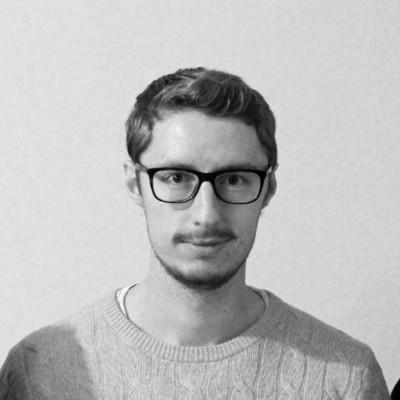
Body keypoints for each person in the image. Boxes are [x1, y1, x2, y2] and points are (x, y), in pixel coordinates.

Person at [0, 67, 390, 399]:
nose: (206, 214)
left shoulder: (345, 378)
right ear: (135, 183)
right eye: (176, 177)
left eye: (234, 179)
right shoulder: (40, 370)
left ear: (268, 189)